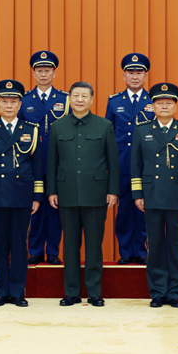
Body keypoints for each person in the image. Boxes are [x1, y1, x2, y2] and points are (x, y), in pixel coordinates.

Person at [46, 81, 120, 307]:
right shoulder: (58, 126)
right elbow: (52, 162)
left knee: (94, 246)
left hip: (96, 194)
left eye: (84, 96)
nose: (80, 99)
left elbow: (113, 162)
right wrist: (52, 191)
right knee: (70, 245)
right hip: (66, 193)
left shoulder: (104, 125)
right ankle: (72, 293)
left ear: (91, 100)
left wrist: (113, 191)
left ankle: (94, 292)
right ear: (69, 98)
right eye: (75, 95)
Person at [0, 80, 43, 307]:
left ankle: (18, 292)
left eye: (13, 101)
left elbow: (37, 166)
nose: (9, 105)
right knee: (0, 245)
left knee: (20, 245)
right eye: (4, 101)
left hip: (23, 195)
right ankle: (1, 292)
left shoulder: (31, 130)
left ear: (20, 104)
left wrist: (37, 196)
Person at [130, 83, 178, 308]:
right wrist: (138, 193)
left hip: (177, 194)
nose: (164, 106)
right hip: (152, 193)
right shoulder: (142, 130)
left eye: (169, 103)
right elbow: (135, 165)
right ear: (153, 106)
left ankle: (175, 291)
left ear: (175, 106)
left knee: (176, 245)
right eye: (160, 103)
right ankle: (158, 291)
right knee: (156, 244)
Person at [105, 53, 155, 265]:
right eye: (131, 72)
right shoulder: (114, 101)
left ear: (145, 76)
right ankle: (125, 252)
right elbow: (108, 135)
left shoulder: (153, 100)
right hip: (122, 164)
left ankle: (141, 251)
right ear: (124, 76)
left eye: (139, 73)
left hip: (147, 165)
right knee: (124, 210)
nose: (135, 77)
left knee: (144, 210)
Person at [20, 50, 68, 265]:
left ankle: (54, 252)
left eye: (47, 70)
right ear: (33, 73)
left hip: (58, 163)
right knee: (35, 209)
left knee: (55, 209)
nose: (43, 74)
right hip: (31, 163)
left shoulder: (65, 99)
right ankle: (36, 251)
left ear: (54, 73)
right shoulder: (24, 100)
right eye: (39, 70)